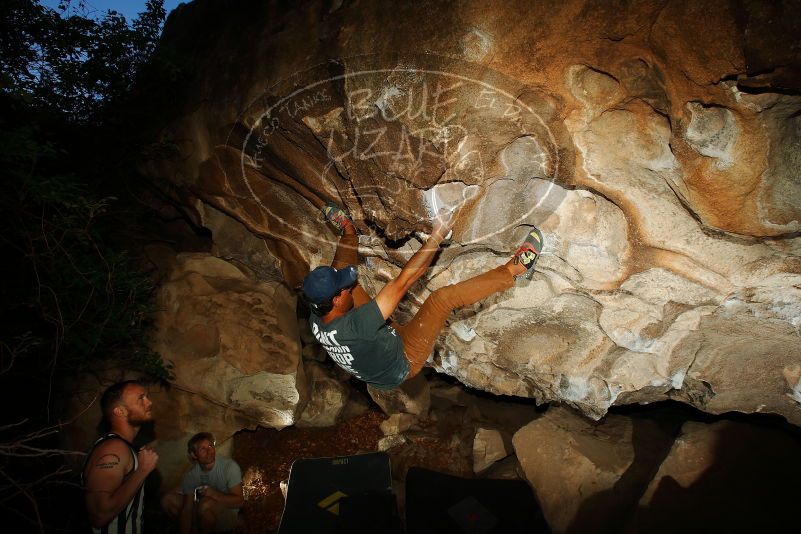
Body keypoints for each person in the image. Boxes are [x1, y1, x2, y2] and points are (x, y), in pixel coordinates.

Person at [300, 202, 543, 390]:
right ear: (334, 302)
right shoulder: (357, 326)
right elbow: (403, 281)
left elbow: (338, 275)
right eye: (340, 290)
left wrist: (342, 276)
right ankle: (516, 270)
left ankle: (348, 229)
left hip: (377, 346)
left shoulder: (317, 314)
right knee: (441, 299)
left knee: (348, 280)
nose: (347, 283)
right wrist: (438, 235)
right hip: (402, 362)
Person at [84, 379, 159, 533]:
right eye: (141, 398)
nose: (149, 402)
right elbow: (99, 514)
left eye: (147, 397)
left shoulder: (123, 446)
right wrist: (142, 471)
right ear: (120, 411)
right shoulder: (112, 448)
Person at [161, 432, 244, 534]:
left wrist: (213, 494)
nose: (209, 451)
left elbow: (239, 501)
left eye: (210, 446)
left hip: (227, 513)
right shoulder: (191, 475)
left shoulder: (229, 467)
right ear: (194, 455)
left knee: (206, 504)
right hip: (200, 509)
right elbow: (187, 509)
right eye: (203, 449)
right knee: (167, 500)